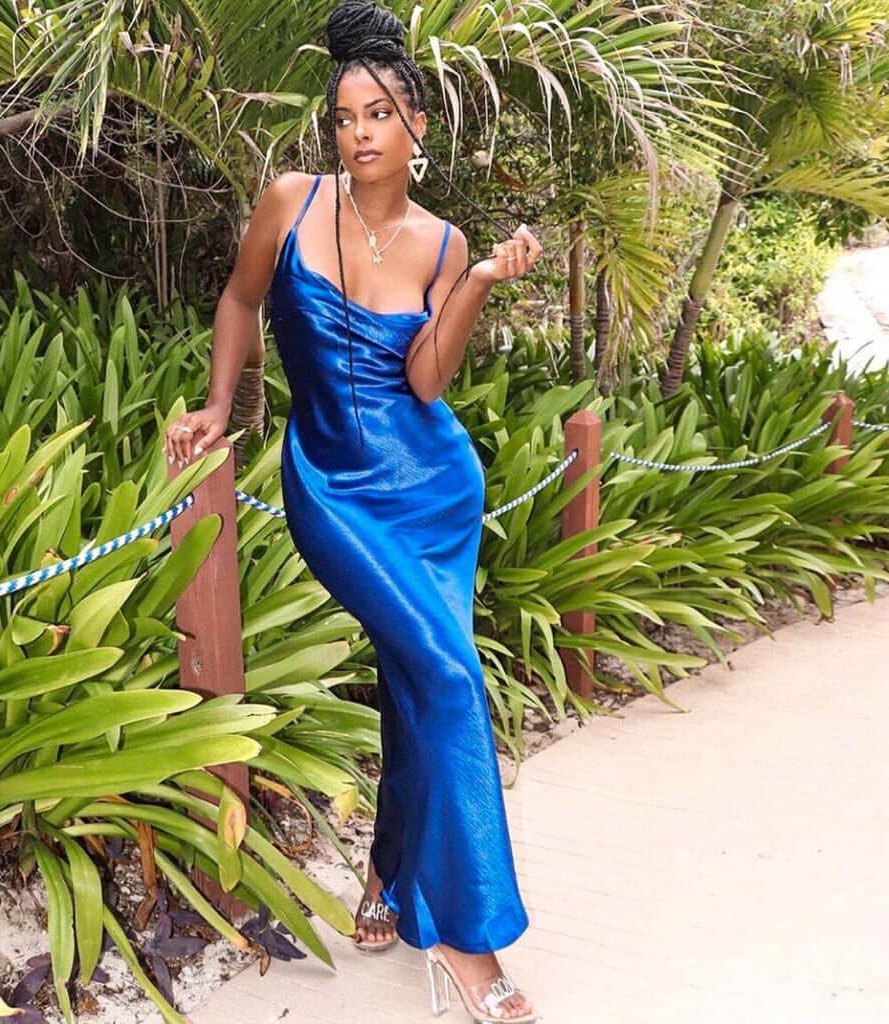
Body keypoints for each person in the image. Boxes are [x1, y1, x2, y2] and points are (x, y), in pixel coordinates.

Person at [164, 3, 543, 1020]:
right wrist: (222, 404)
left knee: (425, 678)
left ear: (416, 124)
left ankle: (389, 880)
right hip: (332, 487)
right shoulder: (291, 201)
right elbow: (241, 300)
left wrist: (476, 280)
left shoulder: (443, 241)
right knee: (450, 678)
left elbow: (425, 381)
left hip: (433, 490)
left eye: (379, 114)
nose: (361, 132)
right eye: (344, 116)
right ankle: (465, 937)